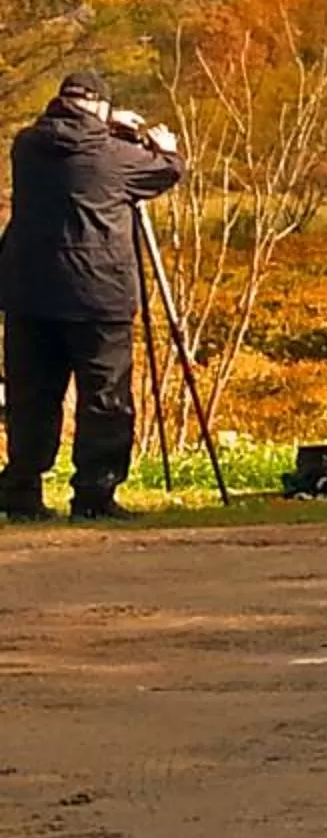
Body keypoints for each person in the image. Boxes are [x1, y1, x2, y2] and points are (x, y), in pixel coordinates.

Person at [0, 73, 184, 522]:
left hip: (28, 291)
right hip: (97, 294)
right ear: (100, 106)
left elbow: (64, 132)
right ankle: (94, 495)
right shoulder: (115, 156)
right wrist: (165, 144)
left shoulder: (26, 146)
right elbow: (168, 170)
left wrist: (104, 123)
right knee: (104, 398)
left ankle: (22, 490)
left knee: (32, 396)